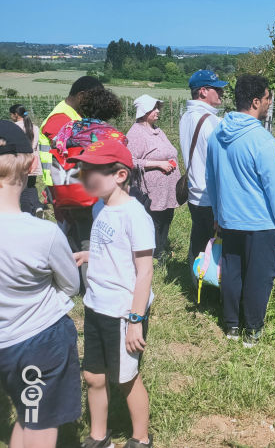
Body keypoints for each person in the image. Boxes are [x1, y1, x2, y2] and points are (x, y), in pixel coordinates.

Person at [69, 139, 156, 448]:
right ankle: (98, 436)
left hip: (122, 312)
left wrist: (135, 319)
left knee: (126, 379)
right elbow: (115, 250)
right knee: (93, 375)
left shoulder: (135, 216)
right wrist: (92, 256)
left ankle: (140, 438)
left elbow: (144, 271)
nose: (84, 177)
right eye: (82, 170)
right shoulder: (102, 208)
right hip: (95, 306)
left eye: (92, 172)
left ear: (120, 175)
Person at [0, 121, 81, 448]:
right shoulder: (43, 235)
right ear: (31, 165)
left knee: (27, 416)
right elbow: (71, 285)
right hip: (40, 346)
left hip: (5, 347)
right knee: (39, 428)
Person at [206, 75, 275, 347]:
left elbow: (212, 178)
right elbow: (274, 186)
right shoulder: (261, 139)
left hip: (229, 218)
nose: (268, 103)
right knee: (259, 275)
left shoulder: (217, 133)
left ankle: (231, 324)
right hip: (260, 221)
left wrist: (218, 214)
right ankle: (252, 329)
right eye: (267, 98)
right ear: (255, 101)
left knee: (231, 271)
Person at [50, 87, 125, 294]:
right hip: (98, 197)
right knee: (97, 244)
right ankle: (94, 289)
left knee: (80, 239)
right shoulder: (112, 135)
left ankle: (78, 284)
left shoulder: (68, 129)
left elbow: (56, 152)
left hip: (70, 190)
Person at [39, 76, 104, 249]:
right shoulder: (61, 118)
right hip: (65, 189)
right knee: (75, 237)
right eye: (93, 99)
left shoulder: (73, 115)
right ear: (82, 95)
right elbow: (73, 153)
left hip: (71, 186)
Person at [179, 70, 225, 272]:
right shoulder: (211, 122)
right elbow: (220, 163)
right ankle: (211, 287)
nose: (221, 93)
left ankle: (195, 283)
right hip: (210, 195)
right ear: (203, 91)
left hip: (194, 192)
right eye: (217, 89)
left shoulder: (186, 117)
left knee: (198, 241)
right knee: (215, 248)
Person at [127, 95, 181, 260]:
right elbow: (130, 160)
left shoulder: (157, 130)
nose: (158, 111)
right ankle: (155, 254)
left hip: (167, 187)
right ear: (144, 111)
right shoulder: (135, 133)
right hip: (151, 189)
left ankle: (162, 248)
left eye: (158, 107)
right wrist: (157, 164)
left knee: (166, 217)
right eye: (154, 108)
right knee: (154, 220)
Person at [9, 104, 44, 216]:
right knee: (31, 185)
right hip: (33, 160)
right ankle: (37, 207)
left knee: (22, 189)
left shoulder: (14, 127)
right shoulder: (35, 127)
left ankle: (27, 214)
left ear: (16, 115)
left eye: (11, 114)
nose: (10, 116)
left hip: (20, 159)